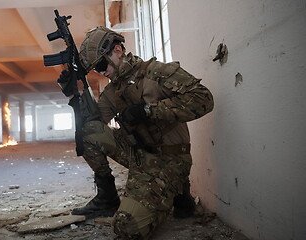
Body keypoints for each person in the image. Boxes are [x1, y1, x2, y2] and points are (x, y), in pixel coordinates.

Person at [58, 26, 214, 239]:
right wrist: (75, 94)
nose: (101, 71)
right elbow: (93, 123)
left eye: (102, 64)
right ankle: (107, 198)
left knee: (126, 228)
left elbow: (204, 99)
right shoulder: (113, 91)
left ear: (118, 50)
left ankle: (178, 189)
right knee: (87, 131)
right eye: (96, 69)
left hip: (169, 159)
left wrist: (149, 110)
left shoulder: (158, 73)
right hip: (139, 154)